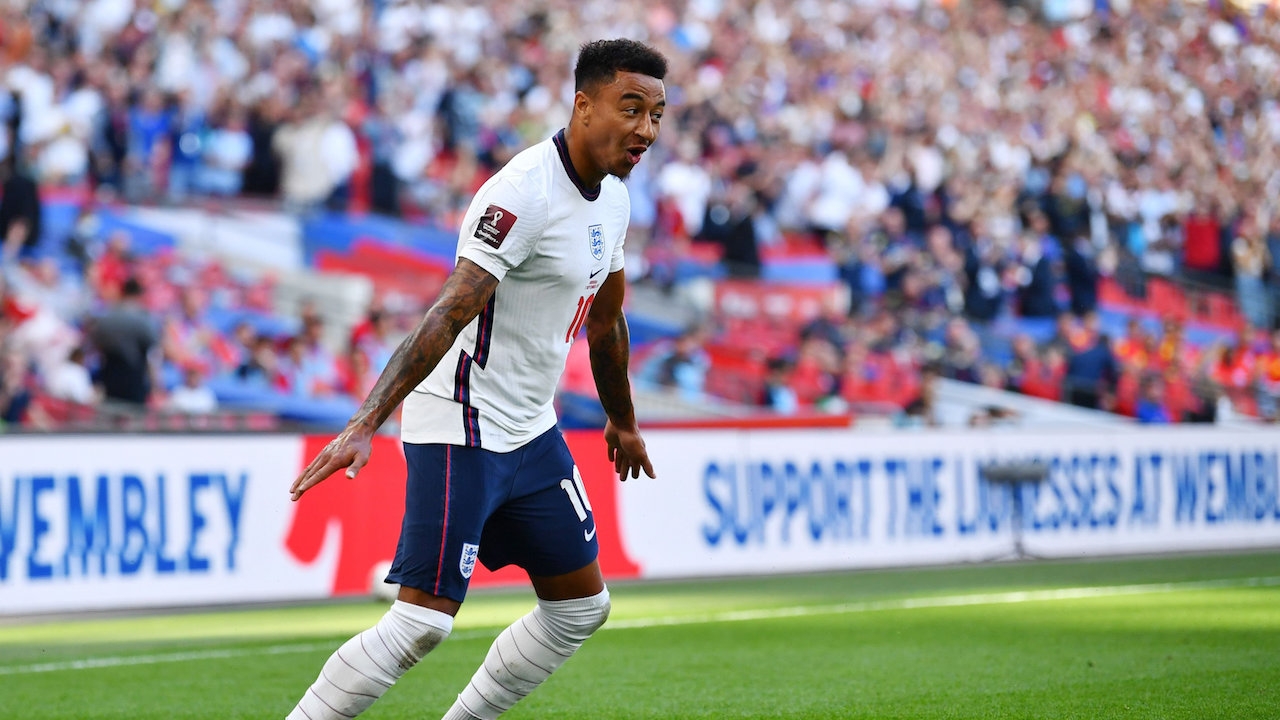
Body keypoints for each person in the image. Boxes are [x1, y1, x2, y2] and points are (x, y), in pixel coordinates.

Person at [283, 39, 664, 720]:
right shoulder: (522, 193)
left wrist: (623, 420)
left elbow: (606, 322)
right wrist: (365, 423)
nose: (646, 130)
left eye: (657, 115)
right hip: (461, 417)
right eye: (630, 108)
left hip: (531, 427)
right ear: (583, 106)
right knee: (421, 624)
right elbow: (448, 312)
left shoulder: (614, 199)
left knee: (581, 608)